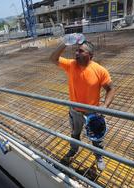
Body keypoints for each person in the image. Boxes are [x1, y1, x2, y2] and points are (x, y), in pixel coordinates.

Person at [50, 34, 115, 171]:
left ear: (90, 55)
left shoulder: (99, 70)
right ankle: (73, 150)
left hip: (92, 112)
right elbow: (53, 58)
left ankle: (99, 156)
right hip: (75, 111)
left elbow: (110, 89)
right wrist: (64, 43)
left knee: (96, 138)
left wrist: (104, 107)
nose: (76, 53)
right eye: (76, 50)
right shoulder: (71, 65)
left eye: (81, 51)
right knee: (75, 134)